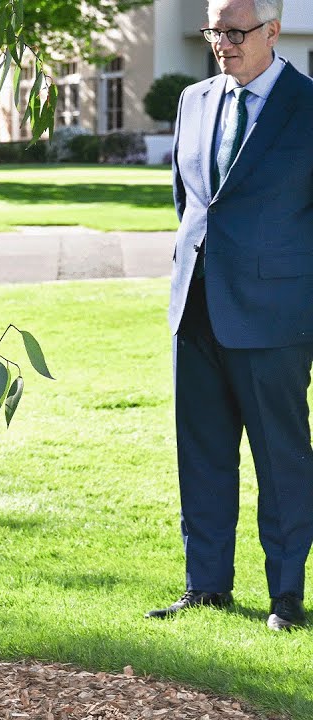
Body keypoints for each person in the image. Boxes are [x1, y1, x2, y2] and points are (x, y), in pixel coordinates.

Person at [147, 0, 313, 632]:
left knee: (282, 459)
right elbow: (188, 202)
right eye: (213, 30)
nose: (222, 42)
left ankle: (286, 597)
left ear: (274, 32)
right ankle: (207, 587)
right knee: (203, 454)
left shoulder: (307, 105)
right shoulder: (193, 100)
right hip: (196, 306)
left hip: (277, 316)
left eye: (236, 31)